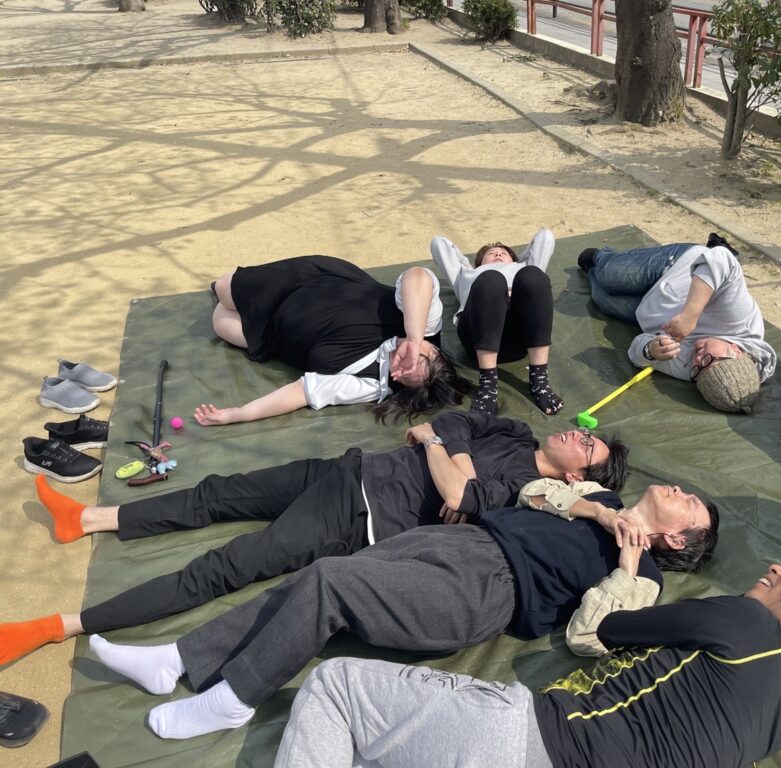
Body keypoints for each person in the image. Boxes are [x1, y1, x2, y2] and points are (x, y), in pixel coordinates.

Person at [85, 479, 720, 740]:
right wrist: (595, 512)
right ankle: (177, 660)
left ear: (675, 538)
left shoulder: (645, 577)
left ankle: (235, 698)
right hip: (460, 541)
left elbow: (592, 635)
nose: (681, 490)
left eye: (690, 505)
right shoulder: (600, 497)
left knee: (330, 580)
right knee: (310, 579)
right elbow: (534, 491)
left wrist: (627, 564)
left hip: (487, 592)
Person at [0, 413, 628, 665]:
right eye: (583, 430)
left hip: (358, 517)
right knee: (217, 492)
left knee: (227, 565)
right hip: (348, 468)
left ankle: (61, 625)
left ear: (580, 476)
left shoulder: (526, 493)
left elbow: (462, 497)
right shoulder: (515, 433)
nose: (577, 433)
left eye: (588, 444)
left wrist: (443, 454)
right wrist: (447, 448)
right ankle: (88, 519)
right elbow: (449, 422)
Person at [271, 558, 781, 768]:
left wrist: (630, 574)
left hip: (531, 742)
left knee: (336, 684)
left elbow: (609, 629)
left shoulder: (748, 622)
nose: (777, 568)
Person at [194, 256, 472, 426]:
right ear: (433, 348)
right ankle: (228, 288)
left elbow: (302, 393)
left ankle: (238, 301)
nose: (401, 368)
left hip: (275, 334)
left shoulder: (373, 384)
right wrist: (413, 338)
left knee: (220, 322)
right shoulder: (424, 323)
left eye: (403, 377)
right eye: (417, 359)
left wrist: (239, 414)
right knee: (224, 289)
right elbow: (417, 276)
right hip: (309, 282)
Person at [578, 234, 776, 413]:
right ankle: (601, 257)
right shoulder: (738, 319)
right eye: (708, 359)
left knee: (601, 297)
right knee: (610, 275)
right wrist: (690, 314)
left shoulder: (694, 371)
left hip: (649, 309)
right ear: (736, 350)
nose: (697, 359)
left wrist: (650, 350)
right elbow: (722, 258)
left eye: (697, 371)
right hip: (677, 268)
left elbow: (637, 352)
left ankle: (593, 270)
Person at [431, 228, 564, 416]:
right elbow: (439, 243)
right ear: (479, 262)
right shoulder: (467, 274)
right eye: (491, 253)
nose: (498, 254)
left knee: (533, 275)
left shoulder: (523, 267)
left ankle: (540, 381)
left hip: (520, 334)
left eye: (503, 253)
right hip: (478, 333)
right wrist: (469, 265)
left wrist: (519, 261)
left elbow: (546, 237)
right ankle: (488, 385)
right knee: (491, 279)